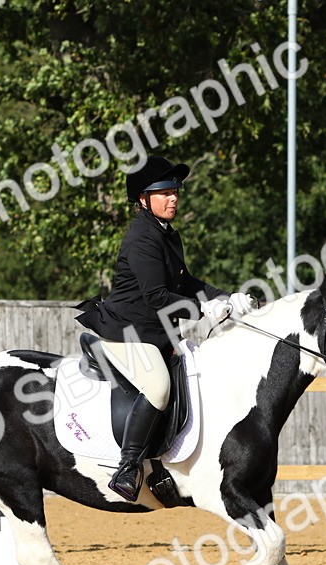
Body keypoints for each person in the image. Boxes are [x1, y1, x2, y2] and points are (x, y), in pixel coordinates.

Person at [75, 156, 255, 501]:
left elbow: (186, 282)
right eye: (164, 193)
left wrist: (226, 297)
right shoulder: (142, 238)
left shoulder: (167, 234)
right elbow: (156, 296)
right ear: (143, 199)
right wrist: (202, 309)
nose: (173, 198)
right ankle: (128, 468)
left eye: (175, 192)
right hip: (126, 332)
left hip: (154, 332)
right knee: (158, 388)